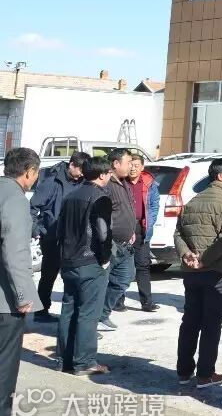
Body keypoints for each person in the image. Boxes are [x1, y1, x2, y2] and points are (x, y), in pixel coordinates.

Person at [174, 158, 222, 388]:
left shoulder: (193, 200)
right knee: (212, 323)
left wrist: (187, 255)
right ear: (221, 176)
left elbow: (178, 233)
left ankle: (184, 372)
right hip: (217, 271)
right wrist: (204, 260)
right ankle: (205, 374)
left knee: (190, 320)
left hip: (192, 271)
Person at [56, 156, 113, 376]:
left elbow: (60, 228)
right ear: (102, 175)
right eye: (108, 172)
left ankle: (64, 359)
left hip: (68, 260)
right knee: (89, 312)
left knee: (68, 310)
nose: (110, 176)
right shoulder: (100, 197)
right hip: (90, 261)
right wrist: (105, 257)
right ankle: (85, 361)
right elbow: (103, 232)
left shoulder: (70, 195)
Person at [1, 148, 40, 416]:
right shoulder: (15, 200)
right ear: (29, 172)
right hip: (4, 300)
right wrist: (24, 295)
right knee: (4, 363)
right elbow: (15, 253)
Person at [28, 151, 88, 323]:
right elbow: (32, 207)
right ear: (72, 165)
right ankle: (41, 311)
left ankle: (70, 314)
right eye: (80, 170)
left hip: (74, 238)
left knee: (72, 276)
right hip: (52, 237)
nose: (82, 175)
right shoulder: (52, 182)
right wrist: (37, 230)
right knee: (49, 275)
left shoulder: (82, 182)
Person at [98, 148, 136, 331]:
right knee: (101, 282)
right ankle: (94, 318)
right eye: (128, 163)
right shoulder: (107, 185)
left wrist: (131, 230)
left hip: (126, 244)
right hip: (111, 244)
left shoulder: (124, 183)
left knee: (124, 278)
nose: (131, 167)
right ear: (116, 163)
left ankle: (102, 314)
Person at [121, 155, 160, 313]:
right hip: (123, 227)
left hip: (141, 228)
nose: (133, 168)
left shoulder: (150, 184)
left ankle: (147, 302)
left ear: (142, 167)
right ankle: (117, 301)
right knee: (121, 265)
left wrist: (149, 224)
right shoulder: (121, 182)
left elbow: (154, 206)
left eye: (136, 165)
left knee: (143, 266)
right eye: (131, 165)